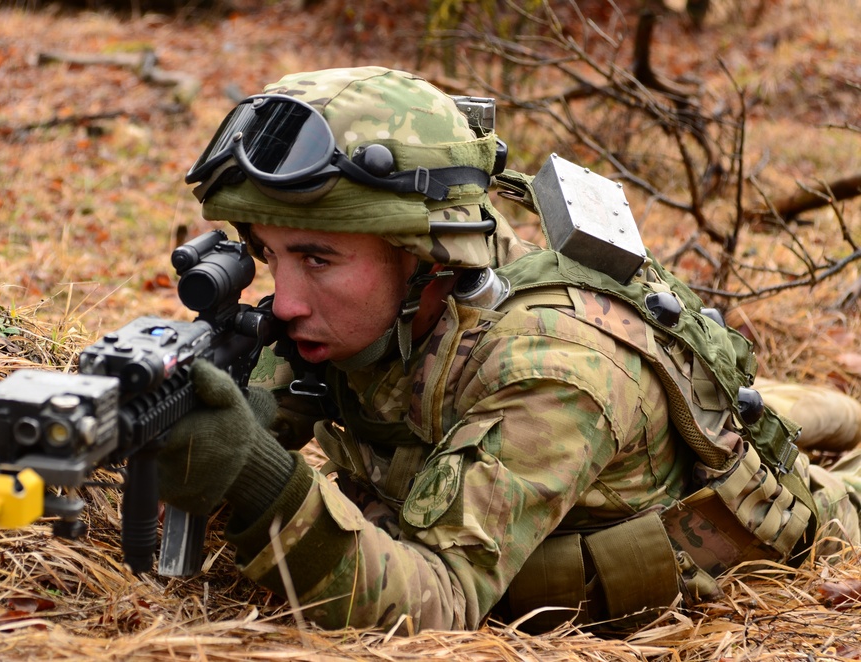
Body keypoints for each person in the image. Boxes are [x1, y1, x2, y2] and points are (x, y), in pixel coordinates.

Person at [156, 66, 861, 633]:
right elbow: (257, 412)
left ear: (426, 256)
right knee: (767, 409)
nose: (284, 302)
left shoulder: (551, 373)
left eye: (317, 259)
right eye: (270, 256)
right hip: (620, 426)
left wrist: (256, 477)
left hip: (756, 524)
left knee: (822, 475)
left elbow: (435, 608)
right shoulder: (361, 312)